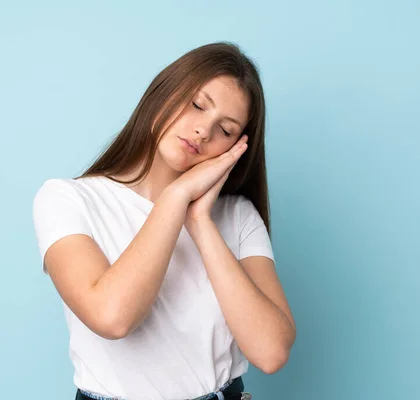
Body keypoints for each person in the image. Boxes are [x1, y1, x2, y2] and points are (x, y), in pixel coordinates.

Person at [32, 42, 296, 400]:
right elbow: (112, 318)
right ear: (165, 92)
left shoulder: (237, 216)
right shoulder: (67, 199)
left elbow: (271, 352)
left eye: (226, 130)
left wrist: (200, 220)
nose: (204, 130)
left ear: (236, 150)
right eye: (197, 105)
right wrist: (174, 199)